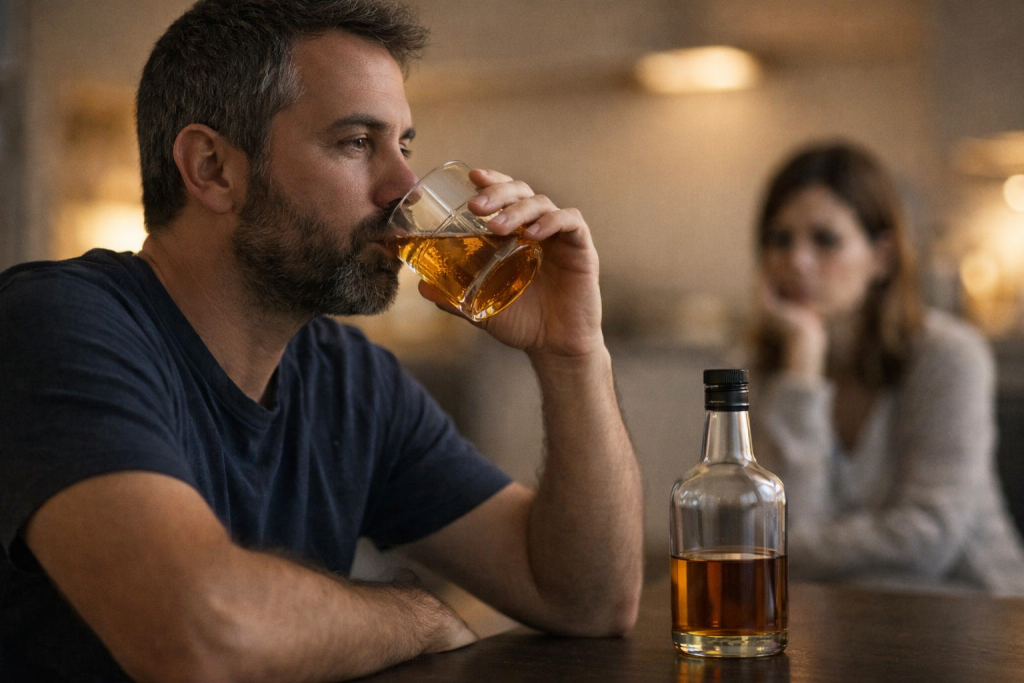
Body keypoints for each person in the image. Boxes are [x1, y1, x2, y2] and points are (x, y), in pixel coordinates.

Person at [0, 1, 644, 681]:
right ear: (213, 168)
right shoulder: (52, 324)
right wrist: (419, 618)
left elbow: (586, 597)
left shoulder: (349, 379)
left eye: (405, 146)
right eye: (357, 142)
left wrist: (572, 352)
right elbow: (200, 630)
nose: (404, 188)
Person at [748, 141, 1024, 596]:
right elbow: (785, 524)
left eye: (825, 240)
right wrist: (803, 364)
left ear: (882, 256)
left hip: (979, 613)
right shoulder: (764, 370)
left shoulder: (949, 355)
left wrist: (793, 550)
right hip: (844, 621)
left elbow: (930, 540)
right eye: (780, 239)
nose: (796, 261)